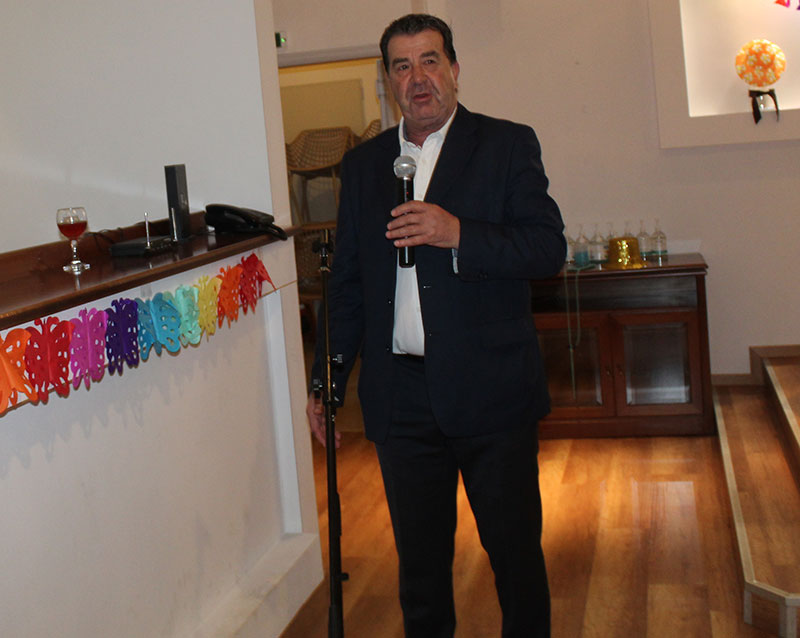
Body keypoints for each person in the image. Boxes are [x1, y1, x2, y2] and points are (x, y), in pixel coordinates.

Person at [307, 13, 565, 638]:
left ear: (454, 68)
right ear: (387, 80)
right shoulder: (364, 165)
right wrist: (327, 381)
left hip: (492, 392)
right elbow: (347, 286)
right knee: (420, 575)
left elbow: (546, 248)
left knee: (515, 562)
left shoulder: (506, 145)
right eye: (402, 66)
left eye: (429, 60)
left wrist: (458, 234)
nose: (417, 78)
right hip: (401, 401)